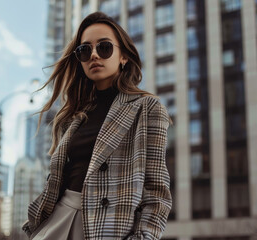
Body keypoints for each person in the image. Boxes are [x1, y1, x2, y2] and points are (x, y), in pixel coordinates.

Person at [22, 12, 172, 240]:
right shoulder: (74, 114)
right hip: (60, 218)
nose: (93, 55)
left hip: (108, 227)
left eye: (104, 47)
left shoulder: (147, 108)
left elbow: (156, 192)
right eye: (84, 50)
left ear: (123, 56)